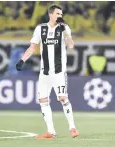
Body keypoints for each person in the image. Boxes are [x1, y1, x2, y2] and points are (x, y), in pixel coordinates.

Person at [16, 4, 79, 139]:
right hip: (45, 72)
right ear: (51, 14)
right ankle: (51, 131)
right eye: (58, 14)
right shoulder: (40, 29)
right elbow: (32, 48)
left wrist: (65, 33)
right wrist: (22, 60)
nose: (60, 16)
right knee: (43, 100)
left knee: (62, 98)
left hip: (59, 71)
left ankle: (72, 127)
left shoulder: (64, 28)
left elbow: (71, 45)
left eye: (61, 14)